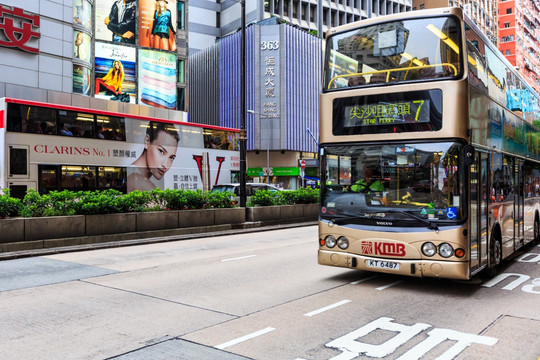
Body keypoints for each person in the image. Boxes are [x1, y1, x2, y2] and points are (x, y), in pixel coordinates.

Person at [127, 121, 179, 192]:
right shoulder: (135, 179)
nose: (165, 165)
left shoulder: (136, 176)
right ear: (147, 141)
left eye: (171, 158)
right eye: (161, 151)